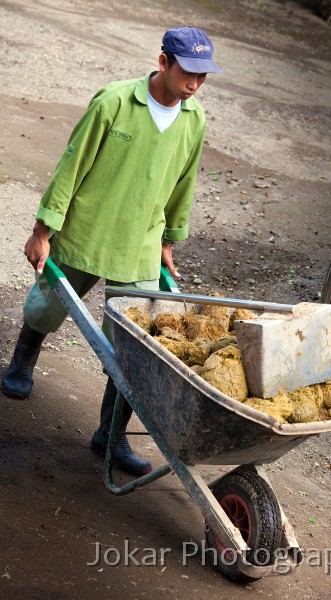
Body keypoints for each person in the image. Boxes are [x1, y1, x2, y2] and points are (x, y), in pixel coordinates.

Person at [1, 26, 222, 476]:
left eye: (203, 76)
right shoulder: (115, 103)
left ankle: (111, 434)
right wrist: (43, 229)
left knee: (132, 343)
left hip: (140, 238)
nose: (195, 84)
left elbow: (184, 182)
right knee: (48, 303)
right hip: (89, 229)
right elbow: (72, 164)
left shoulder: (193, 119)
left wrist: (165, 241)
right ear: (163, 62)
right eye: (188, 73)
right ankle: (23, 359)